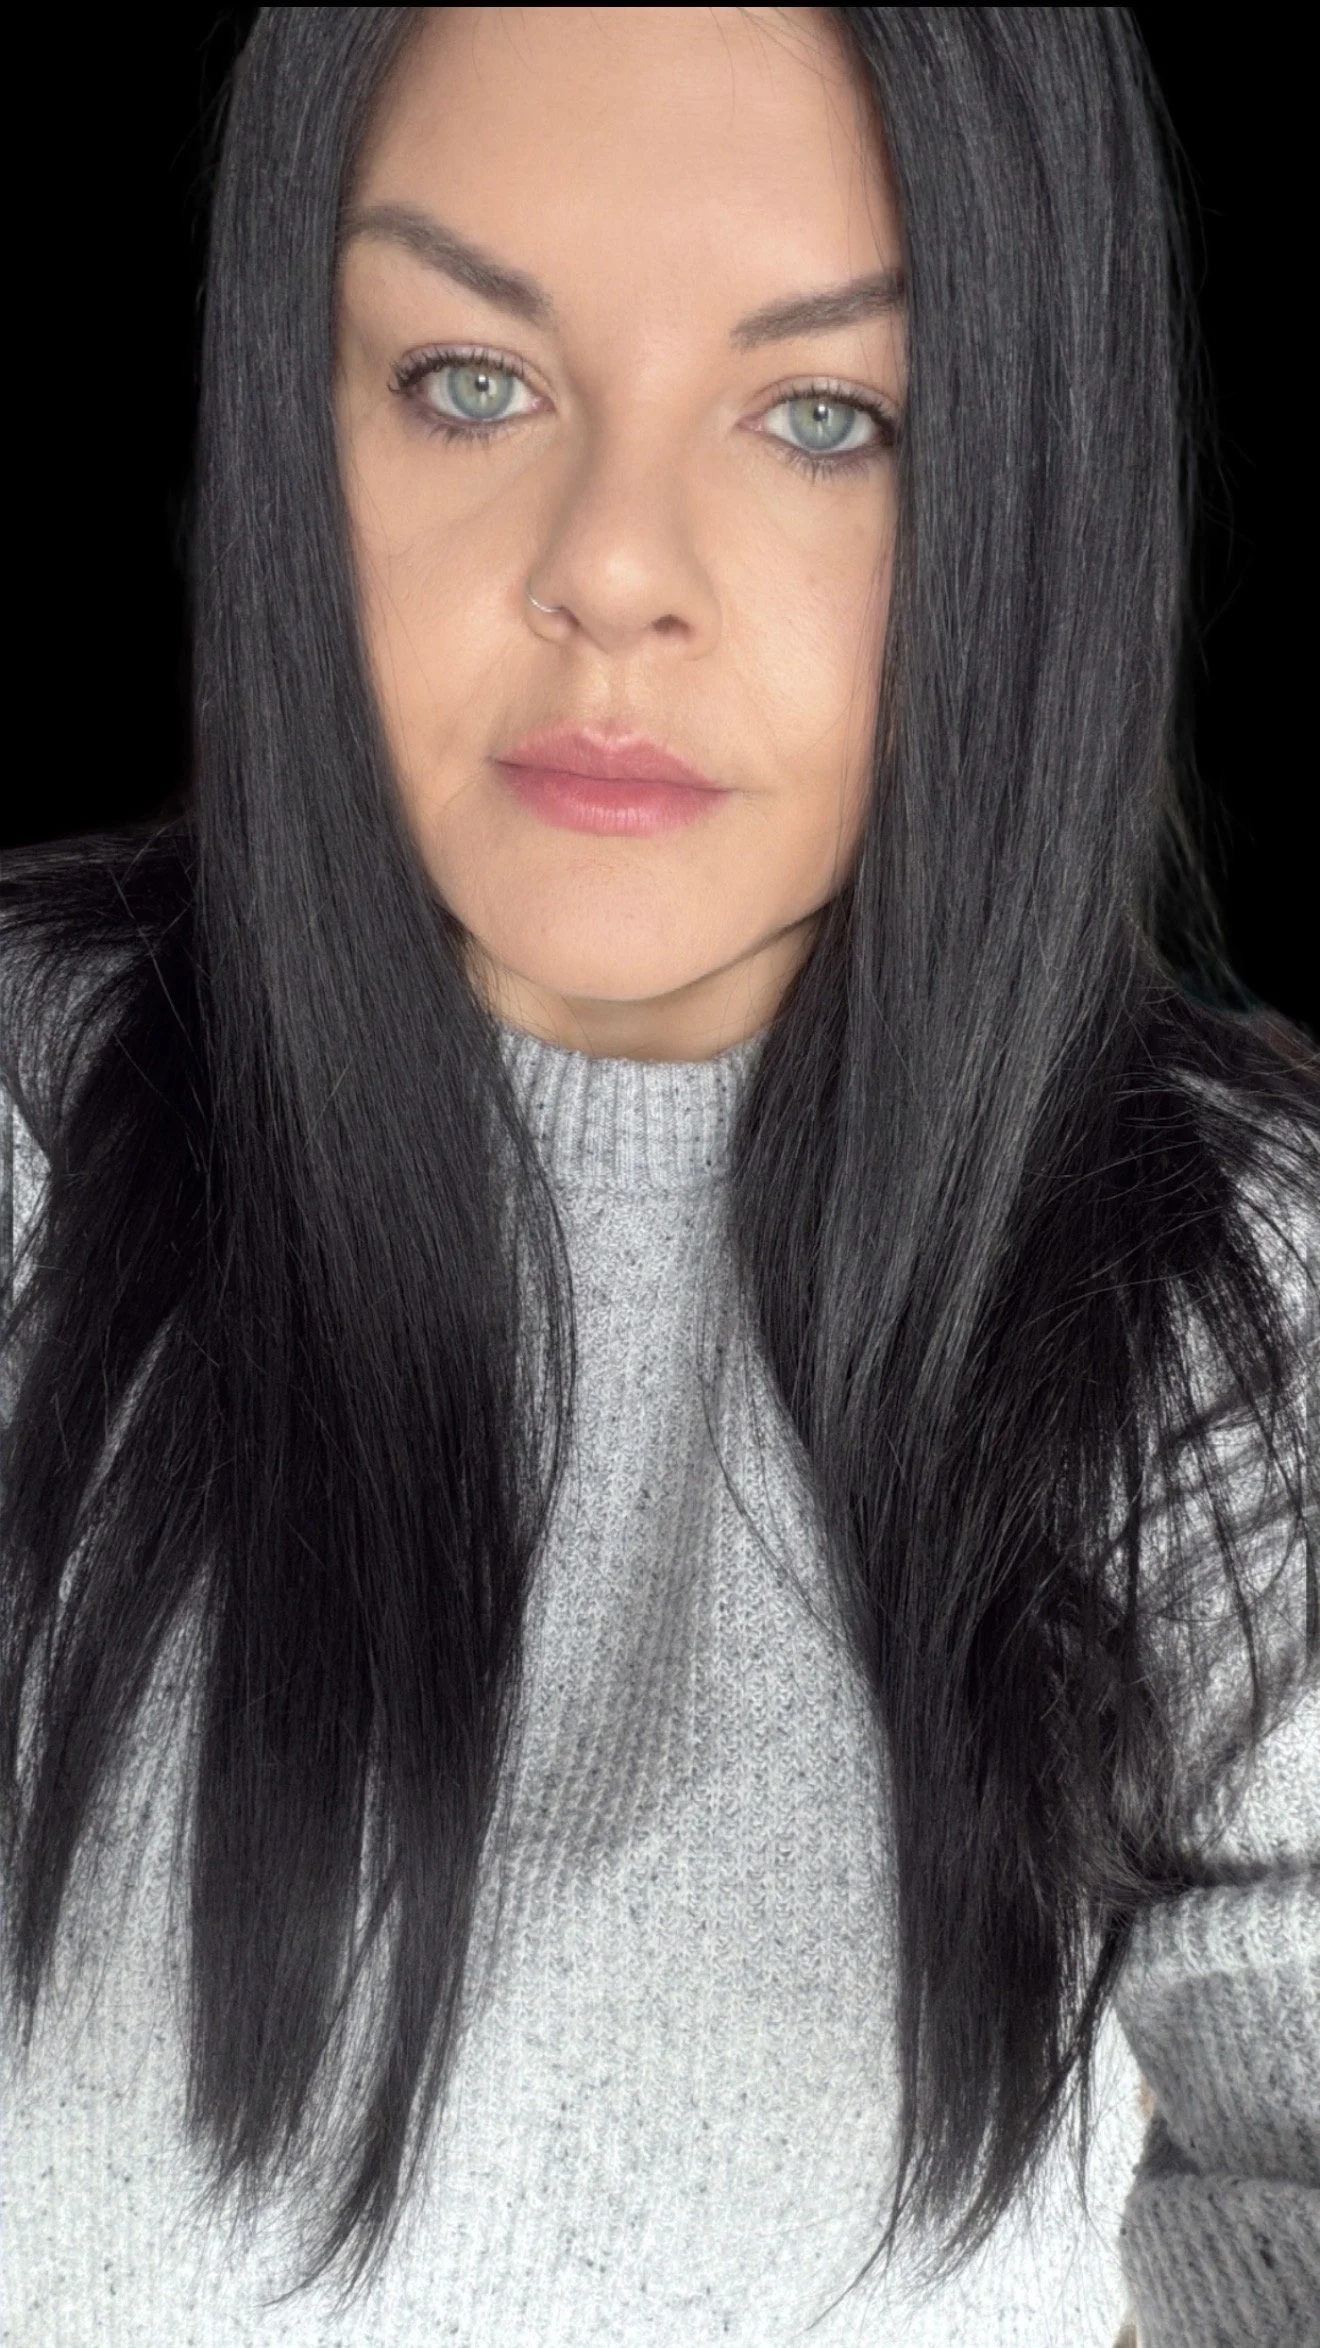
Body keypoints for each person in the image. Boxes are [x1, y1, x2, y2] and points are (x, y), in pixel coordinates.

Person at [1, 10, 1316, 2344]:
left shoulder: (1249, 1320)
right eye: (466, 381)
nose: (614, 570)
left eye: (826, 417)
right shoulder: (30, 1137)